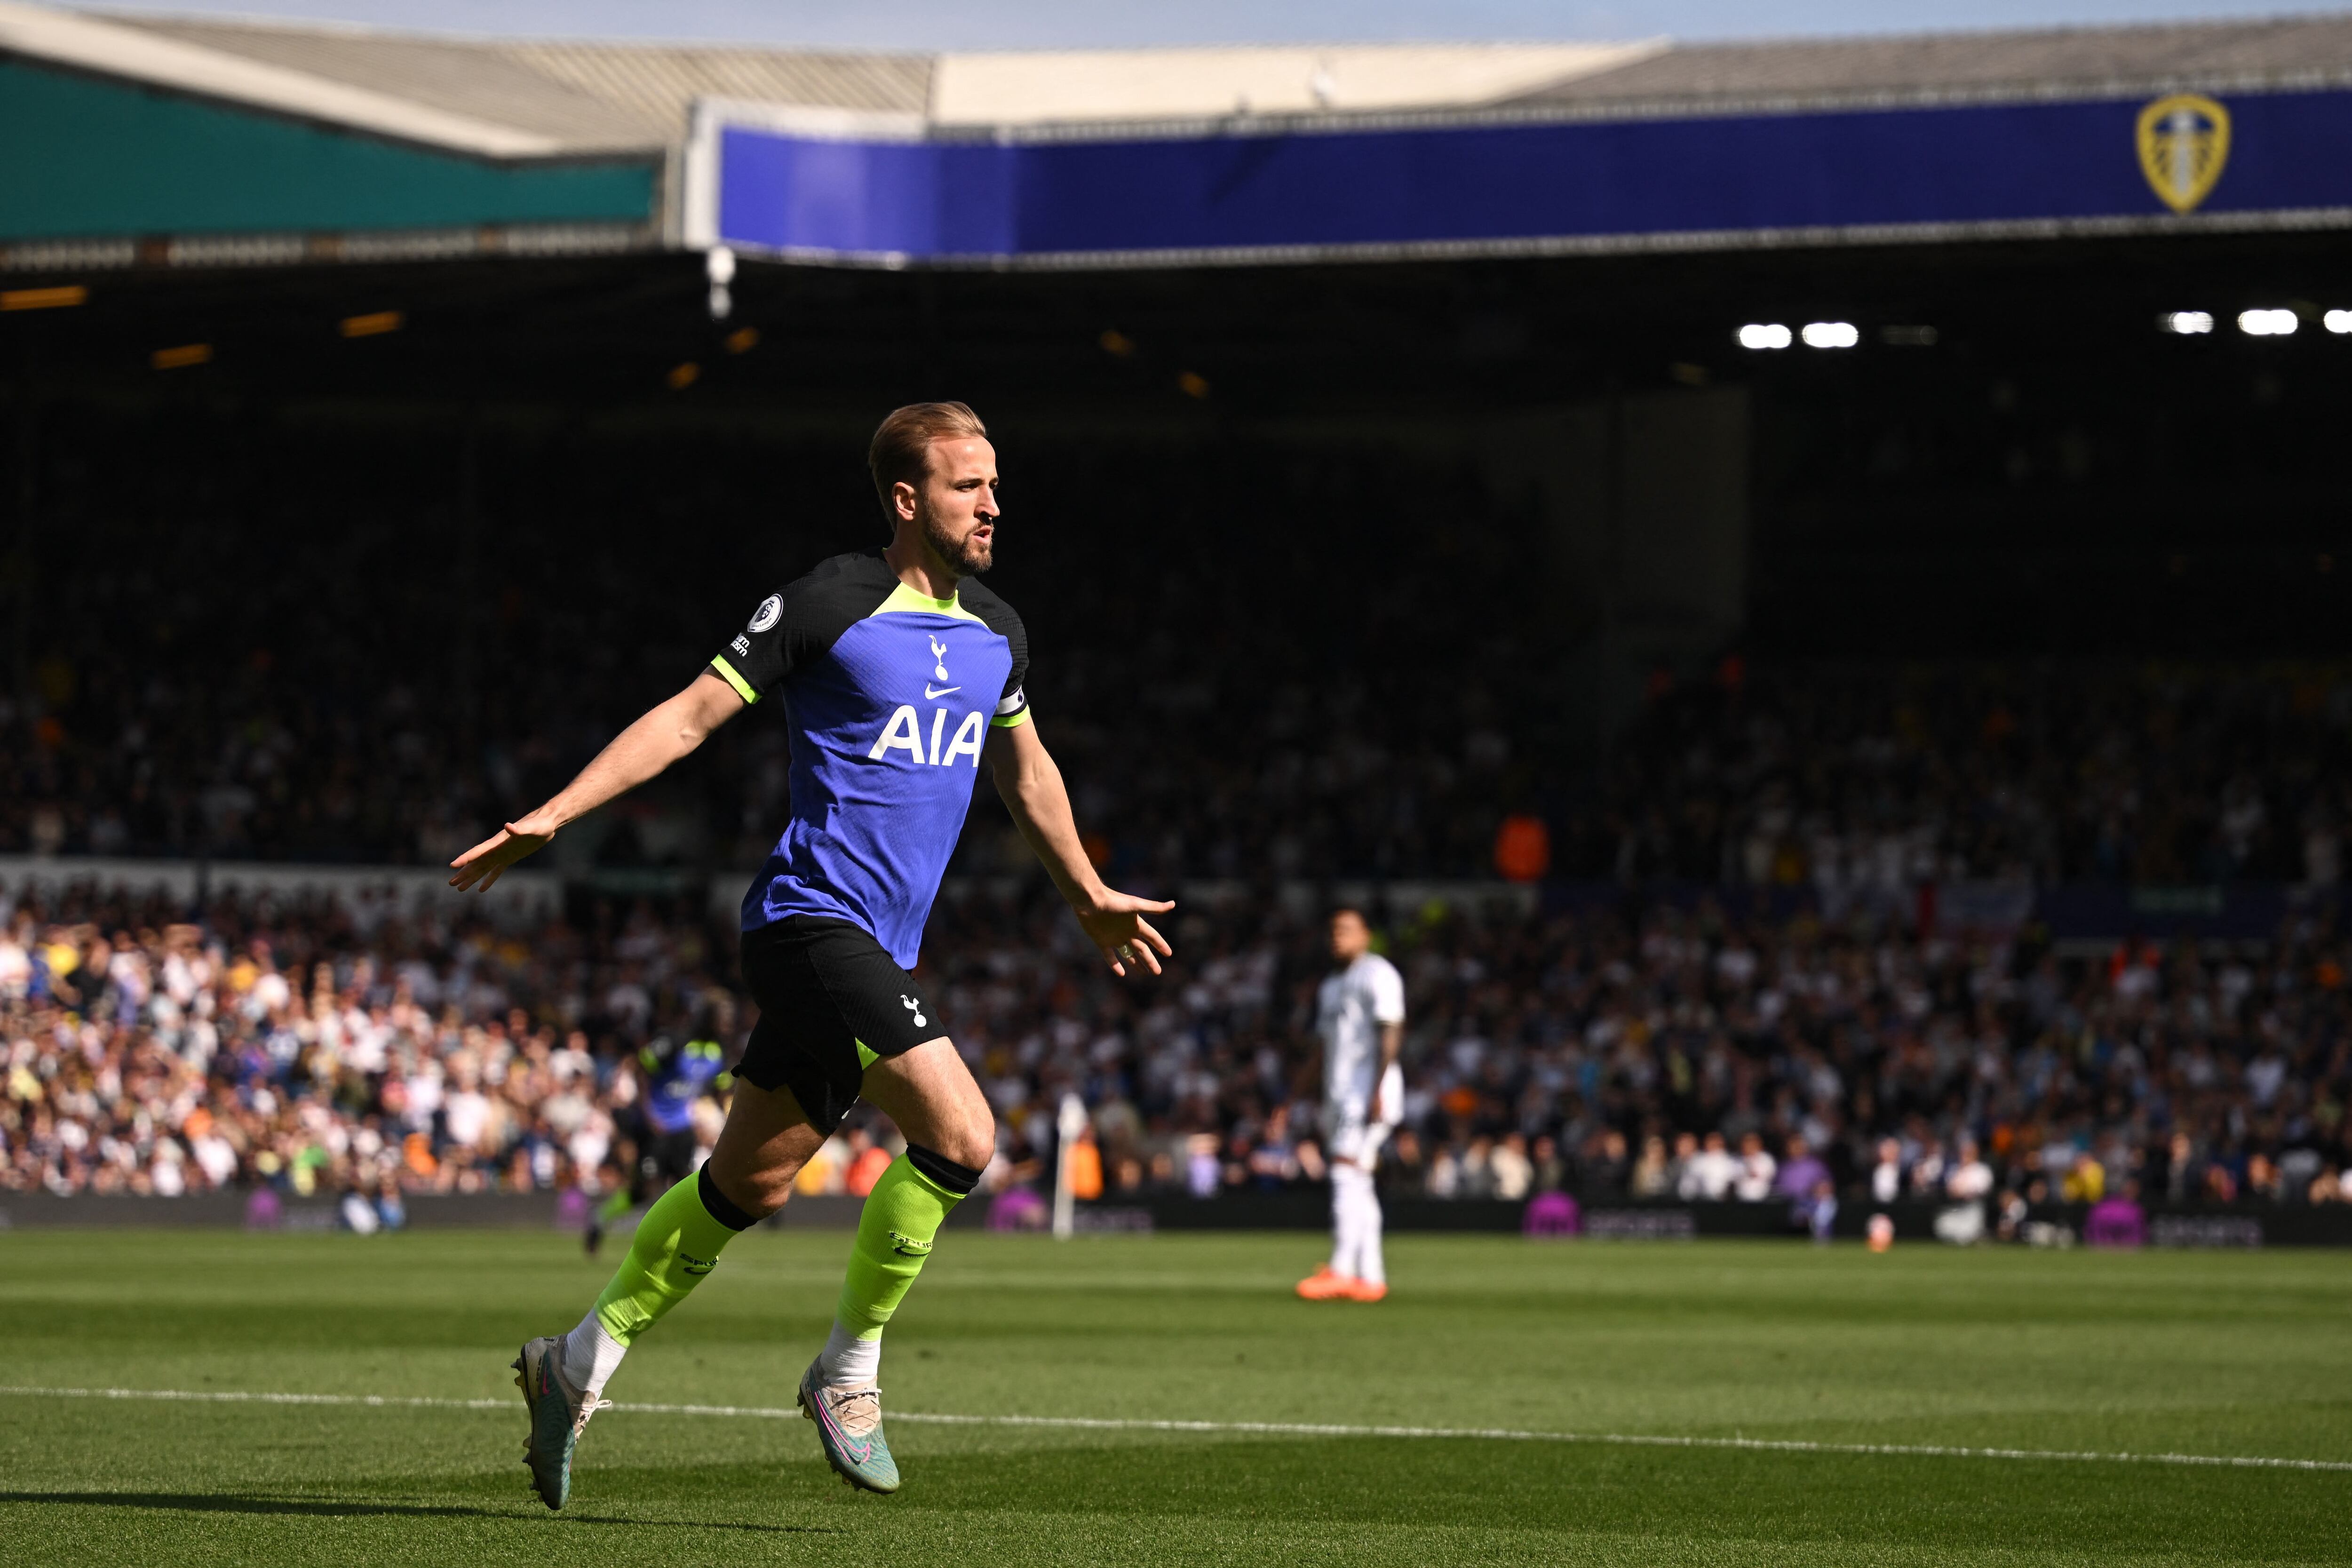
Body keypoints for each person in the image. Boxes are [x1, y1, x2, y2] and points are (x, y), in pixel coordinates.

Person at [449, 401, 1174, 1508]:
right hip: (806, 923)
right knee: (963, 1135)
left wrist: (1084, 893)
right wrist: (560, 811)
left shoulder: (997, 633)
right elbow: (692, 714)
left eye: (994, 483)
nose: (992, 504)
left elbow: (1026, 775)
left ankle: (575, 1361)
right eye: (968, 486)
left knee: (749, 1182)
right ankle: (848, 1372)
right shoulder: (827, 602)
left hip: (873, 945)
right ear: (906, 499)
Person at [1297, 907, 1404, 1303]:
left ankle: (1342, 1270)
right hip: (1342, 1093)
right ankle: (1370, 1276)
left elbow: (1391, 1028)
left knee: (1345, 1172)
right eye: (1333, 930)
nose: (1336, 937)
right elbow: (1323, 1048)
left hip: (1367, 1092)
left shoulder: (1378, 973)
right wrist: (1293, 1096)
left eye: (1345, 930)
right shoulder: (1332, 985)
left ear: (1366, 935)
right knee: (1358, 1179)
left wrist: (1377, 1088)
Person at [584, 1027, 731, 1256]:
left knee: (686, 1185)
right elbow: (642, 1065)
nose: (727, 1022)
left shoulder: (715, 1052)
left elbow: (721, 1085)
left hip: (683, 1128)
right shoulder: (676, 1043)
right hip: (655, 1128)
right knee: (644, 1189)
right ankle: (600, 1218)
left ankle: (683, 1245)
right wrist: (649, 1111)